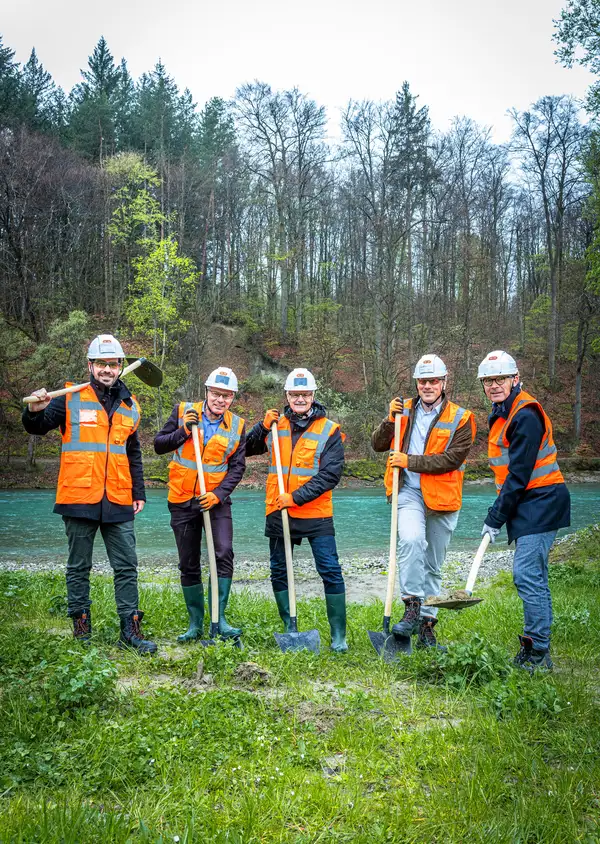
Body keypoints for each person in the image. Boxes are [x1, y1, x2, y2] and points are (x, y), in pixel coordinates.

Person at [21, 334, 156, 653]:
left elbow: (133, 452)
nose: (107, 369)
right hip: (78, 497)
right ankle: (81, 631)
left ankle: (130, 633)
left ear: (120, 366)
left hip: (120, 498)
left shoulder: (130, 405)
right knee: (78, 567)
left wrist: (139, 491)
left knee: (126, 566)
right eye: (101, 363)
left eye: (113, 363)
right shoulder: (69, 398)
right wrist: (34, 411)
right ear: (90, 365)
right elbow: (36, 427)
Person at [371, 354, 476, 650]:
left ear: (444, 383)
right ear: (416, 383)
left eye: (433, 381)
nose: (427, 386)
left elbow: (452, 459)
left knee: (433, 564)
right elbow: (378, 444)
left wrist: (410, 460)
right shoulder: (402, 410)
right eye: (422, 381)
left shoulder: (462, 417)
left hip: (443, 497)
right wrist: (389, 420)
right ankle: (412, 606)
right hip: (408, 491)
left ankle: (428, 624)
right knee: (412, 541)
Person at [478, 350, 570, 671]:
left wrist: (494, 517)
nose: (494, 385)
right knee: (535, 575)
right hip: (530, 502)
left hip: (542, 501)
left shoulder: (525, 415)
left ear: (515, 379)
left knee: (526, 574)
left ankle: (536, 651)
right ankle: (540, 650)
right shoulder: (504, 412)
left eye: (500, 379)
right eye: (488, 381)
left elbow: (519, 475)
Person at [245, 368, 347, 652]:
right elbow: (244, 449)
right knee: (279, 570)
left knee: (330, 569)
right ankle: (290, 627)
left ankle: (338, 635)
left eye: (304, 394)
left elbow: (330, 475)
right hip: (278, 510)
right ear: (287, 396)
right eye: (294, 394)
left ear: (313, 395)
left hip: (316, 513)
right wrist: (262, 428)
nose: (299, 399)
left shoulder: (329, 430)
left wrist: (296, 497)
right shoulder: (275, 426)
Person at [154, 367, 246, 642]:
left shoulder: (238, 426)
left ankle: (220, 617)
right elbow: (159, 445)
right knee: (189, 562)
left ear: (232, 398)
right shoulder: (183, 411)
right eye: (216, 393)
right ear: (206, 391)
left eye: (227, 396)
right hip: (182, 500)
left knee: (223, 553)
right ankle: (196, 623)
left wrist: (218, 494)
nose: (220, 400)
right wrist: (183, 430)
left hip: (216, 502)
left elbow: (237, 469)